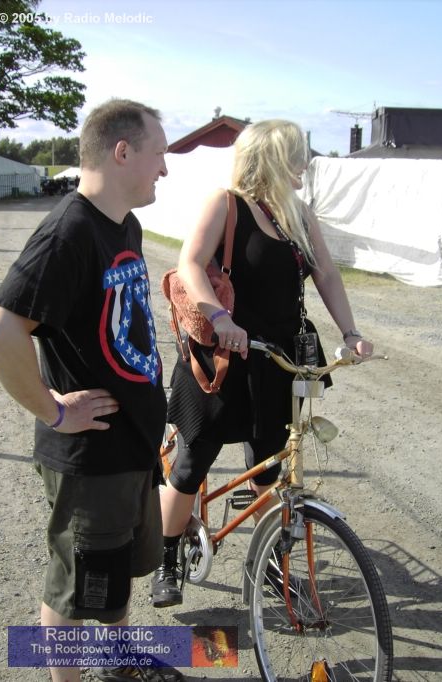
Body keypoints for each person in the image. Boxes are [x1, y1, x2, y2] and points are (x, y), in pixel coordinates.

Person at [0, 99, 184, 682]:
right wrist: (53, 410)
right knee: (73, 590)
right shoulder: (68, 233)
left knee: (111, 571)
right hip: (90, 455)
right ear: (122, 152)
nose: (165, 168)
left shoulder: (124, 224)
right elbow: (0, 331)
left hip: (129, 446)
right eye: (159, 154)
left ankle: (120, 664)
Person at [151, 119, 374, 608]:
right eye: (296, 156)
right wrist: (219, 316)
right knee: (191, 463)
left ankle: (269, 562)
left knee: (269, 468)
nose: (304, 166)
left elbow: (327, 275)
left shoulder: (298, 214)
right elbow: (190, 264)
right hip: (222, 357)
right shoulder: (226, 204)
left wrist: (351, 333)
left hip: (277, 358)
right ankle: (166, 560)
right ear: (271, 158)